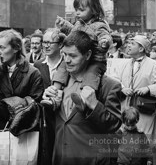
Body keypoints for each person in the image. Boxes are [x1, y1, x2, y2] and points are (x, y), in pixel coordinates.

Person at [42, 30, 122, 165]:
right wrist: (48, 100)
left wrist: (95, 105)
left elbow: (114, 124)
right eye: (64, 54)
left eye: (73, 56)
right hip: (60, 158)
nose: (67, 60)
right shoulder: (59, 82)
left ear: (88, 55)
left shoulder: (108, 85)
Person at [44, 0, 112, 110]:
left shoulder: (100, 25)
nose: (77, 13)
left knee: (91, 77)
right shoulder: (78, 23)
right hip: (79, 58)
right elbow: (73, 33)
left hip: (95, 61)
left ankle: (84, 98)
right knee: (62, 67)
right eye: (76, 10)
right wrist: (63, 26)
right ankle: (54, 94)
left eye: (81, 10)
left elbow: (105, 36)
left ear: (94, 10)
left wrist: (104, 41)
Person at [113, 35, 156, 143]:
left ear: (141, 49)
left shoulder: (154, 65)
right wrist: (122, 88)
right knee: (123, 142)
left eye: (132, 44)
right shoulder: (123, 63)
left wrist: (148, 88)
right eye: (128, 43)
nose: (128, 46)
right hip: (124, 110)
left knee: (143, 143)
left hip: (144, 112)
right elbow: (114, 79)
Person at [34, 28, 66, 165]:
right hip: (43, 118)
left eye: (50, 42)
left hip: (63, 117)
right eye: (44, 42)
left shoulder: (67, 64)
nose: (46, 45)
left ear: (60, 45)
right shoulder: (37, 65)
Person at [0, 29, 43, 130]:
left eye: (2, 48)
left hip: (22, 131)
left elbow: (35, 107)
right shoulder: (1, 70)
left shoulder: (32, 73)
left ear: (16, 48)